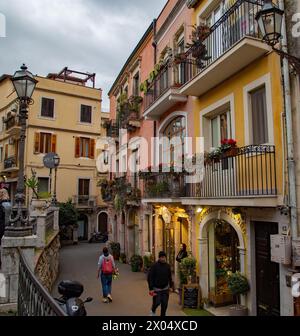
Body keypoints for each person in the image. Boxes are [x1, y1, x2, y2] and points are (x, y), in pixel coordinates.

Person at [148, 251, 173, 317]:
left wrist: (171, 286)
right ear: (159, 258)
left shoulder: (167, 266)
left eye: (164, 257)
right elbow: (150, 277)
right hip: (156, 289)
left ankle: (163, 315)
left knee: (164, 304)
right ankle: (153, 310)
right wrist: (151, 288)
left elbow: (169, 277)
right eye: (162, 257)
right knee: (157, 302)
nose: (163, 259)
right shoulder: (154, 266)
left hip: (165, 288)